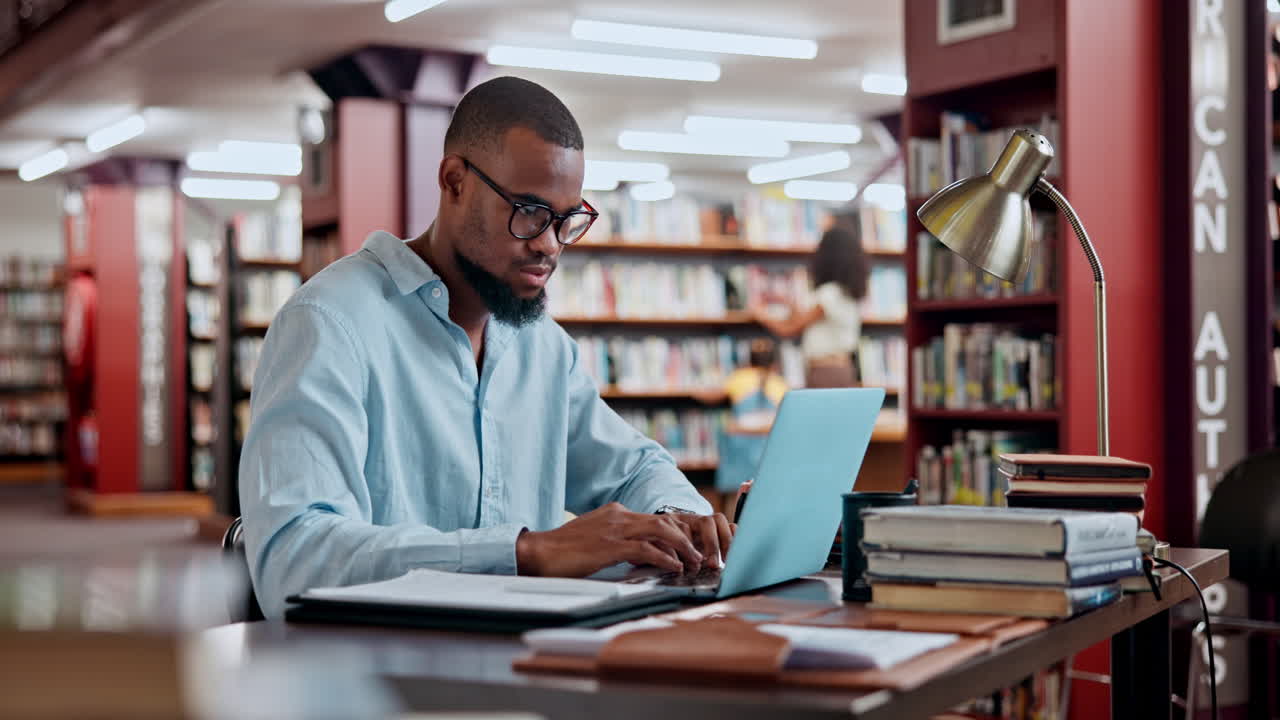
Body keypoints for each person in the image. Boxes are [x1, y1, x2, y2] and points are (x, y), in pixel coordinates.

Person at [238, 76, 734, 618]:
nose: (548, 244)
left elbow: (634, 468)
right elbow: (295, 560)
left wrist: (681, 520)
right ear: (454, 182)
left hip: (523, 668)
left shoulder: (542, 348)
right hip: (379, 682)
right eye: (529, 212)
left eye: (568, 221)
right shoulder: (329, 324)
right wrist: (531, 553)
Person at [751, 223, 869, 388]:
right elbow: (807, 320)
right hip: (842, 369)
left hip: (825, 372)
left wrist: (760, 315)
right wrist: (788, 303)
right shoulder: (845, 293)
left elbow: (791, 329)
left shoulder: (829, 293)